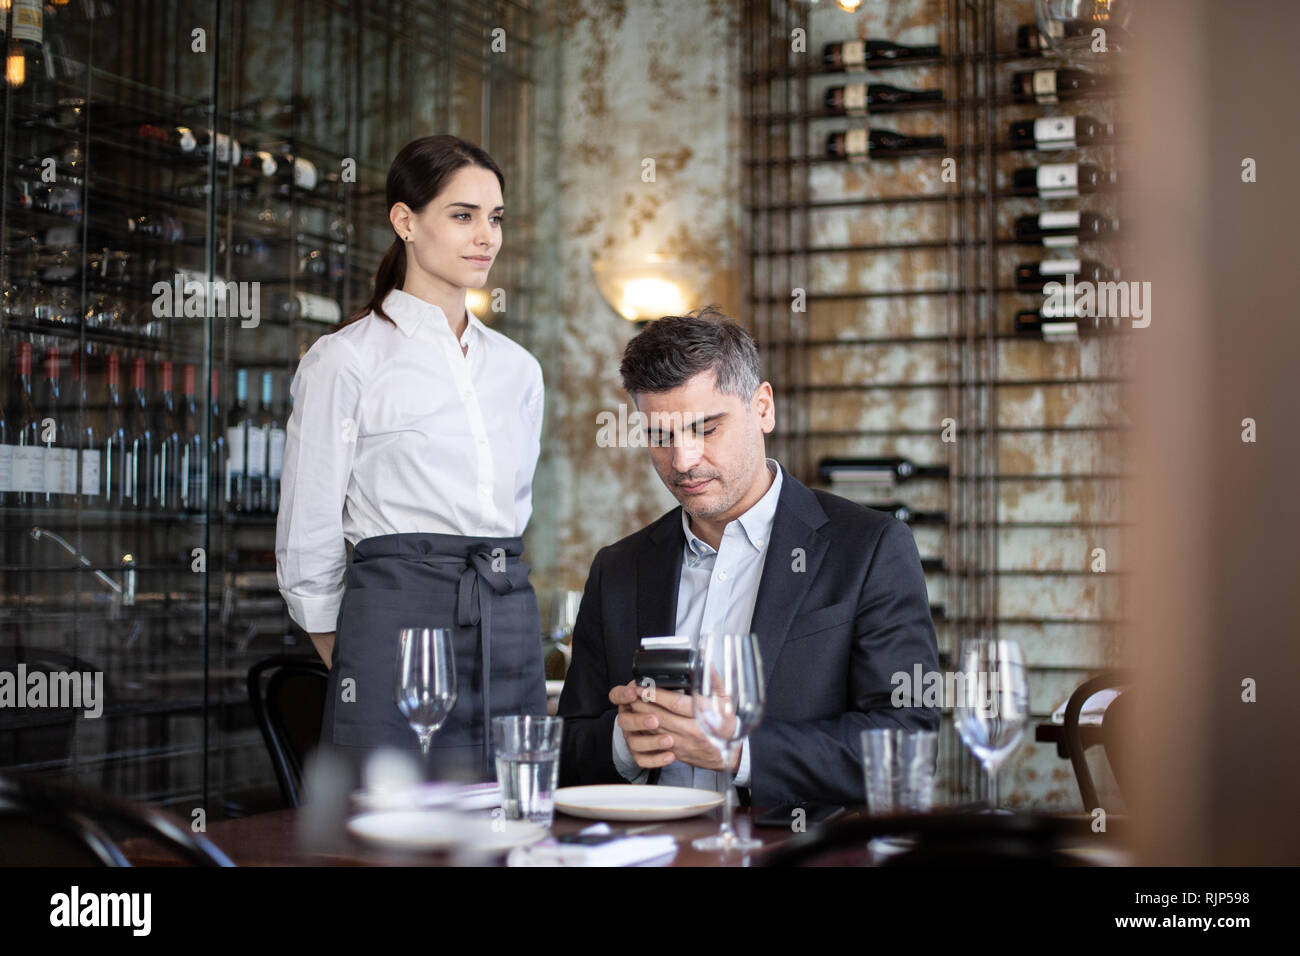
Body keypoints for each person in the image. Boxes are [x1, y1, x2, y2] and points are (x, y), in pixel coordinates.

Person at [557, 307, 940, 806]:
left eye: (706, 429)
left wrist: (739, 752)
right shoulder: (617, 569)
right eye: (660, 436)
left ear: (762, 408)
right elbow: (565, 752)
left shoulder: (868, 549)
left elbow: (909, 744)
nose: (683, 460)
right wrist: (623, 743)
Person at [275, 135, 546, 779]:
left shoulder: (519, 369)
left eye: (495, 217)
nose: (486, 236)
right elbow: (307, 532)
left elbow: (511, 513)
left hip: (506, 614)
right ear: (405, 221)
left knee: (510, 813)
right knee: (387, 828)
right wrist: (357, 656)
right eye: (462, 215)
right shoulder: (345, 360)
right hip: (391, 623)